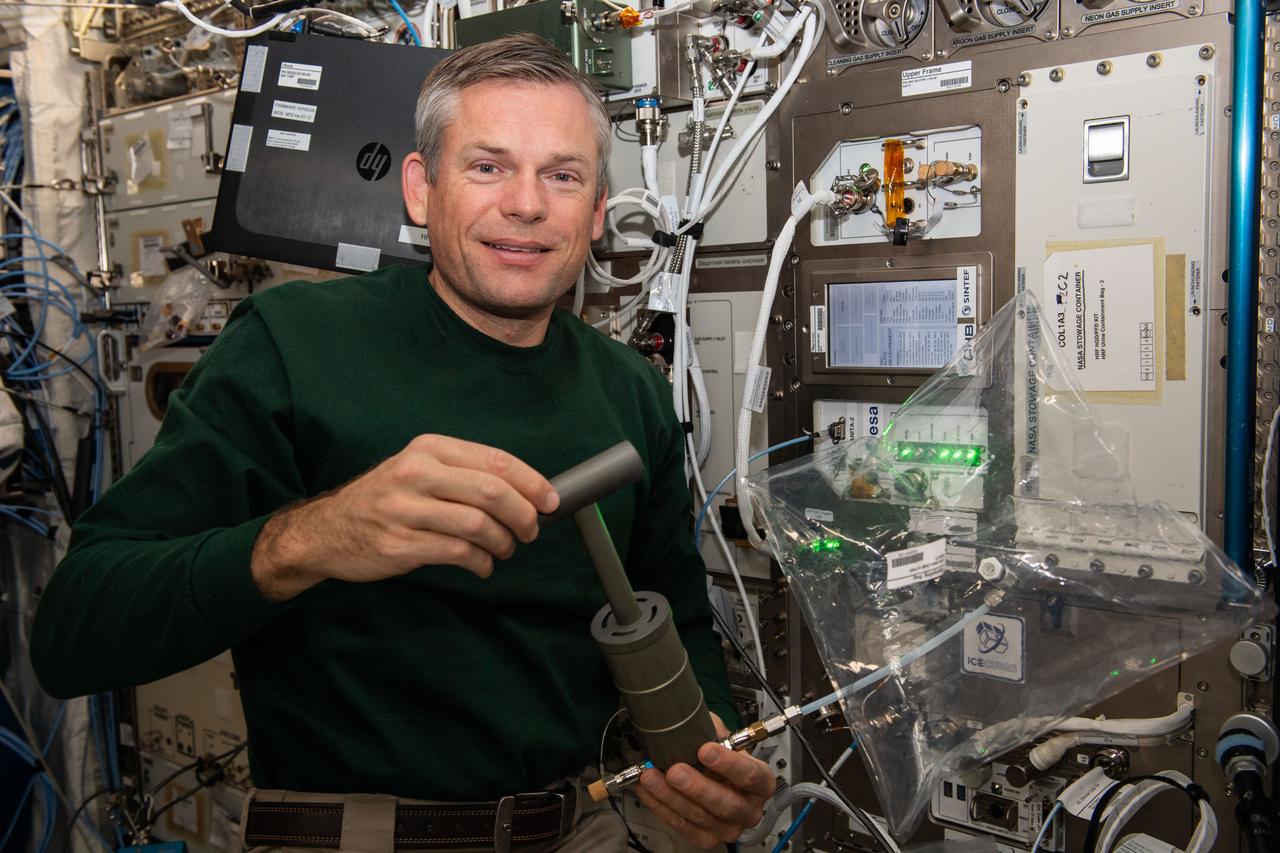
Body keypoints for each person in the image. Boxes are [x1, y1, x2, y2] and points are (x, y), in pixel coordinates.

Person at [30, 33, 775, 851]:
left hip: (583, 825)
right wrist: (310, 538)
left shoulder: (628, 389)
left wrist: (711, 759)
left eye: (561, 175)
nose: (526, 204)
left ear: (597, 210)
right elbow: (74, 631)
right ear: (420, 190)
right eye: (487, 166)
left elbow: (684, 619)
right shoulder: (294, 345)